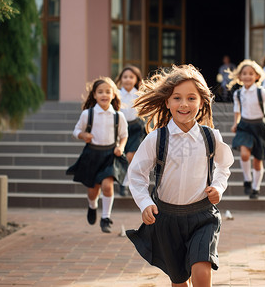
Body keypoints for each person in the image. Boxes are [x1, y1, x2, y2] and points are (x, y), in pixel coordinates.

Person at [126, 64, 234, 287]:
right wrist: (145, 203)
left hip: (202, 217)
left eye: (191, 98)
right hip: (166, 219)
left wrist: (218, 187)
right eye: (177, 98)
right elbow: (136, 174)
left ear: (202, 102)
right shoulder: (157, 138)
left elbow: (225, 166)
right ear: (167, 102)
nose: (184, 104)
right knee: (178, 282)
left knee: (201, 273)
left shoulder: (210, 136)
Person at [66, 77, 128, 233]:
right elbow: (76, 131)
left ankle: (106, 217)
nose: (104, 95)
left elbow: (124, 135)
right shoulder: (88, 114)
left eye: (108, 91)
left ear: (114, 94)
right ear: (94, 95)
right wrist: (83, 136)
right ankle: (92, 206)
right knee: (93, 191)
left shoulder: (118, 116)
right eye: (100, 92)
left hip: (110, 155)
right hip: (92, 155)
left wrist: (120, 147)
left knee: (107, 186)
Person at [228, 59, 265, 199]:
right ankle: (247, 179)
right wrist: (235, 123)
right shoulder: (238, 94)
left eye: (251, 74)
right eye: (244, 73)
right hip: (245, 126)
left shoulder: (261, 92)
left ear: (257, 76)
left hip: (259, 127)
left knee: (257, 161)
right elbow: (237, 110)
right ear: (239, 77)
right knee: (244, 154)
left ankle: (255, 187)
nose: (247, 76)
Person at [115, 65, 146, 196]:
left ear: (136, 79)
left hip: (136, 128)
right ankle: (121, 180)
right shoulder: (116, 93)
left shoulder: (140, 94)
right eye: (125, 77)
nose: (128, 80)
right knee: (122, 156)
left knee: (130, 157)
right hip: (120, 129)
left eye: (131, 77)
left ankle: (124, 184)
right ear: (121, 79)